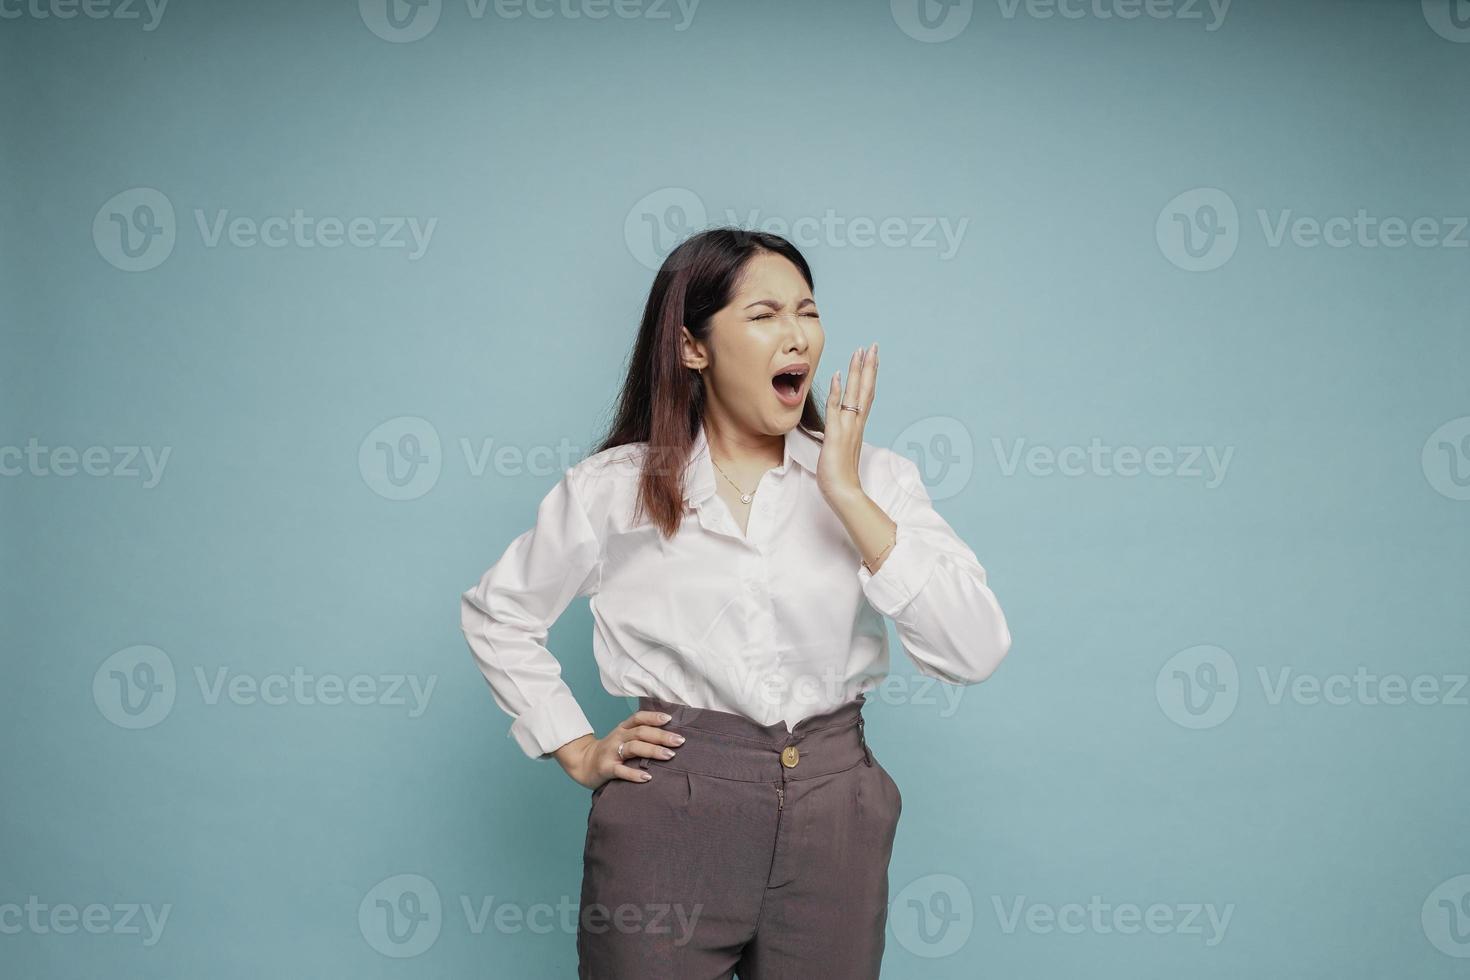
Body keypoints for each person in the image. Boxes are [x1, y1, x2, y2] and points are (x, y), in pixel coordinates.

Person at [459, 227, 1012, 978]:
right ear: (694, 348)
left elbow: (975, 649)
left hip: (836, 809)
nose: (798, 336)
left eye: (807, 311)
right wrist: (577, 746)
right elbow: (501, 613)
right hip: (671, 816)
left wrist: (845, 495)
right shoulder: (614, 489)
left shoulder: (876, 481)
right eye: (764, 315)